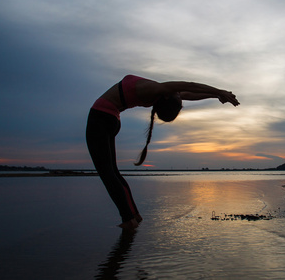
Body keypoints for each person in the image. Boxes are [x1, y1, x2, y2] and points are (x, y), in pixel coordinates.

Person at [86, 74, 240, 229]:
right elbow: (189, 91)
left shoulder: (157, 90)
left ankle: (129, 219)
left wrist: (219, 92)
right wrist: (218, 93)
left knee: (108, 174)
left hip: (100, 117)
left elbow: (189, 86)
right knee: (113, 173)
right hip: (111, 119)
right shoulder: (157, 93)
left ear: (167, 98)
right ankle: (134, 216)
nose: (180, 96)